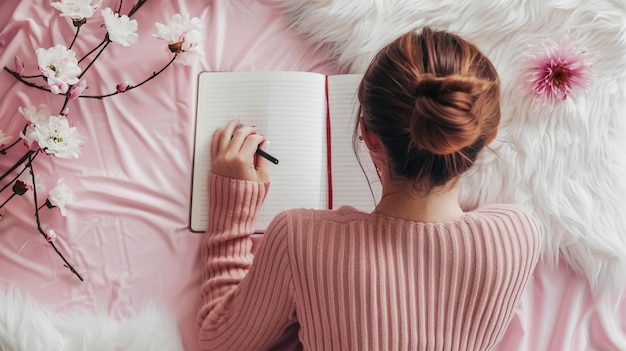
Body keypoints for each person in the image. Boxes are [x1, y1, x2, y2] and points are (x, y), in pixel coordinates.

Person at [197, 27, 540, 351]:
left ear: (370, 137)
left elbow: (219, 340)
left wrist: (233, 209)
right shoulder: (518, 233)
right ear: (487, 137)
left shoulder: (298, 238)